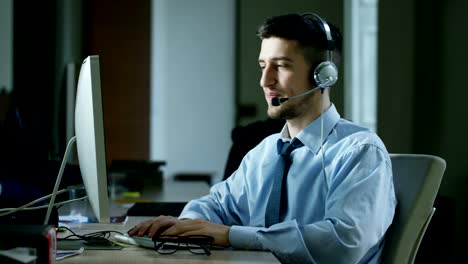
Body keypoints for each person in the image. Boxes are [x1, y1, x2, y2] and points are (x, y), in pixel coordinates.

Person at [129, 13, 396, 263]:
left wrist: (231, 235)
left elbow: (343, 243)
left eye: (280, 66)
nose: (265, 81)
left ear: (323, 76)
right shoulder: (266, 152)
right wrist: (187, 226)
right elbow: (214, 206)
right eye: (262, 66)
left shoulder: (359, 151)